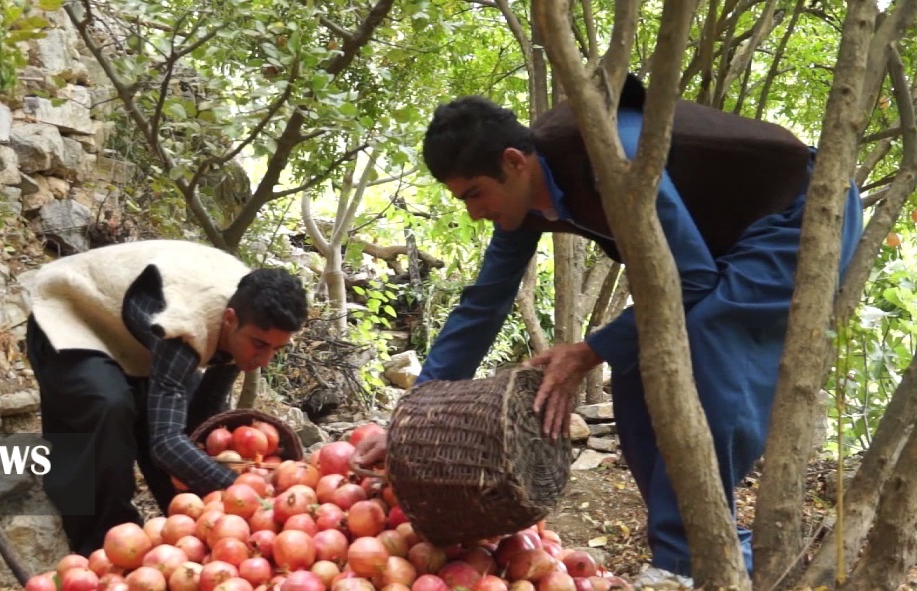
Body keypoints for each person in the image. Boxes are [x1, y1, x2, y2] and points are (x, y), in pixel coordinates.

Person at [353, 76, 863, 588]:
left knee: (709, 334)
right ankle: (706, 547)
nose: (475, 212)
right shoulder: (522, 205)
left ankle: (682, 564)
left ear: (514, 161)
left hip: (802, 212)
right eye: (462, 200)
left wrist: (588, 350)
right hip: (717, 245)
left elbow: (692, 280)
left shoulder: (609, 154)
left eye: (476, 194)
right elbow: (483, 304)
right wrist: (410, 418)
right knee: (636, 364)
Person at [22, 239, 308, 556]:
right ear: (229, 319)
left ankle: (188, 533)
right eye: (259, 345)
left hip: (144, 338)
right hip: (75, 315)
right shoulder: (188, 323)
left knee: (188, 426)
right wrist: (237, 489)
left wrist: (224, 492)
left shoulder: (251, 313)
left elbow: (206, 411)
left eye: (276, 349)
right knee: (109, 407)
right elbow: (165, 442)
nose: (265, 360)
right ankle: (103, 545)